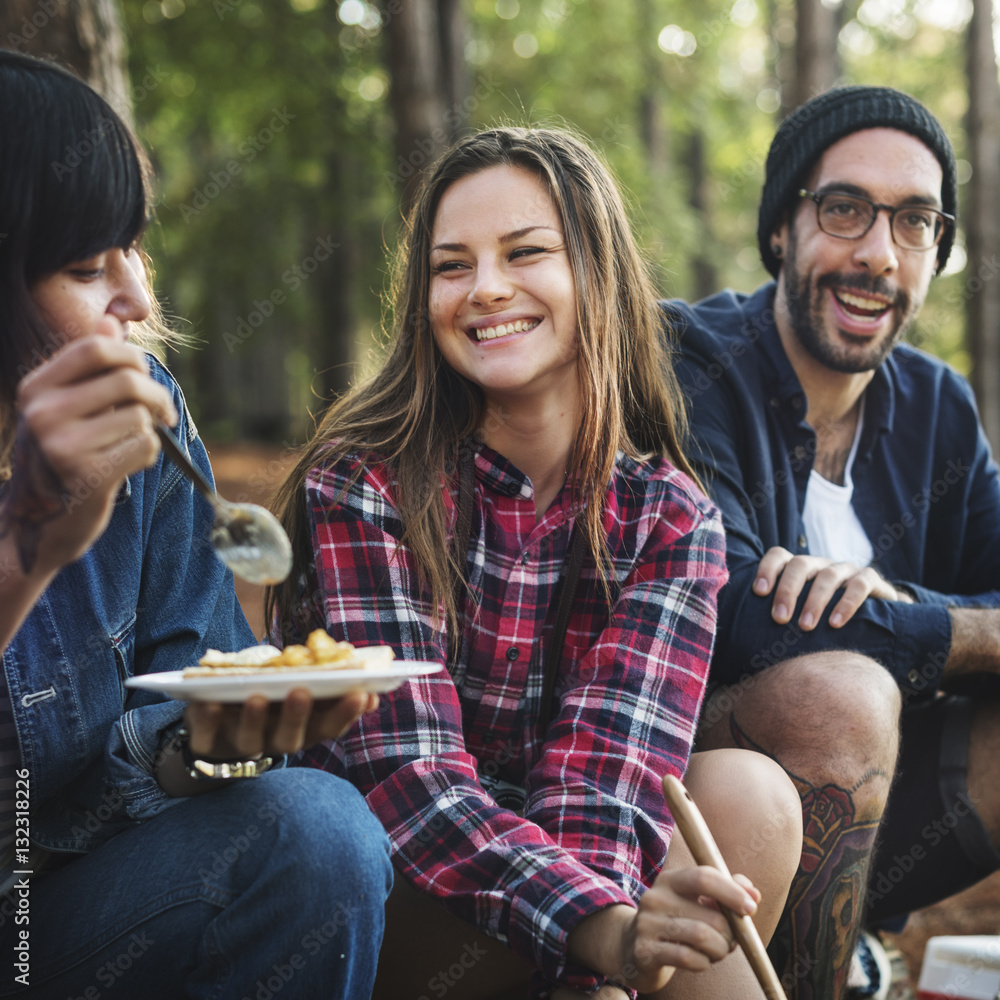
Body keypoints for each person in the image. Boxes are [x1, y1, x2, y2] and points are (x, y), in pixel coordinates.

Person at [265, 125, 802, 1000]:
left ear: (597, 272)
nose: (485, 290)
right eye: (451, 265)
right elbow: (409, 777)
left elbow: (611, 770)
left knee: (749, 796)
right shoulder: (364, 482)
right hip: (407, 889)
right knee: (364, 836)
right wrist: (601, 933)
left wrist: (600, 967)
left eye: (525, 252)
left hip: (587, 893)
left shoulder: (670, 517)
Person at [0, 51, 391, 999]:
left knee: (315, 831)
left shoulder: (145, 435)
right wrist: (35, 540)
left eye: (134, 249)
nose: (136, 296)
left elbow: (173, 714)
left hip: (49, 924)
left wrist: (220, 739)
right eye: (89, 266)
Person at [666, 84, 1000, 1000]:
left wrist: (919, 621)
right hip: (697, 799)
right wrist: (955, 638)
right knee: (837, 692)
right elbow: (726, 615)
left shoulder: (938, 407)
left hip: (875, 805)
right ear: (783, 229)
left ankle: (849, 953)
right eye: (845, 209)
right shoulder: (689, 361)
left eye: (916, 222)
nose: (877, 255)